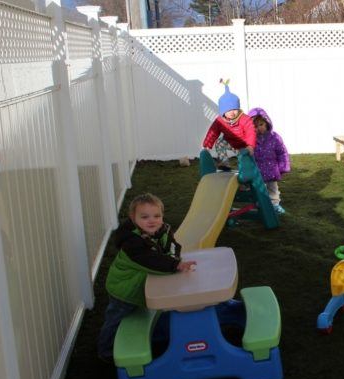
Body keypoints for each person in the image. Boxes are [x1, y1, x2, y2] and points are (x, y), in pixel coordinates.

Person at [97, 193, 196, 360]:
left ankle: (145, 336)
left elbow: (172, 245)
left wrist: (175, 258)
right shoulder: (132, 243)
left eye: (157, 216)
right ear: (133, 218)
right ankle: (105, 350)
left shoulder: (162, 229)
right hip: (123, 290)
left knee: (138, 315)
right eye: (144, 217)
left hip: (138, 284)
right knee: (116, 320)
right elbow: (151, 260)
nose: (152, 221)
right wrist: (175, 265)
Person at [202, 80, 256, 169]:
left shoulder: (244, 119)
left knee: (246, 163)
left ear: (238, 108)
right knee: (219, 142)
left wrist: (250, 146)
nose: (232, 112)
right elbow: (213, 132)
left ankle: (248, 171)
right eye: (228, 110)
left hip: (244, 146)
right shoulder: (220, 121)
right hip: (231, 143)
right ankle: (224, 163)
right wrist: (207, 145)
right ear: (223, 111)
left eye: (234, 109)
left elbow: (251, 132)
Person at [247, 107, 291, 214]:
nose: (259, 128)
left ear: (266, 122)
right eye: (255, 126)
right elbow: (246, 155)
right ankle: (260, 203)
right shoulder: (250, 140)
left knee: (273, 189)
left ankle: (275, 205)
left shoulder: (274, 137)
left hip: (271, 169)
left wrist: (283, 166)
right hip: (258, 171)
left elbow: (282, 152)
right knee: (259, 189)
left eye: (261, 125)